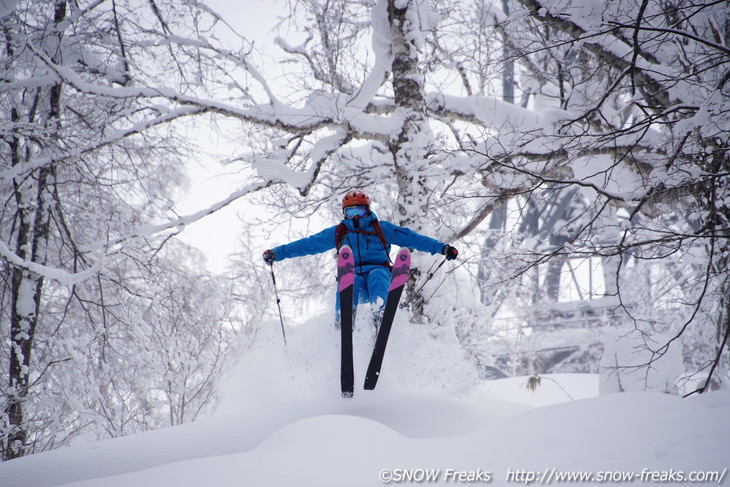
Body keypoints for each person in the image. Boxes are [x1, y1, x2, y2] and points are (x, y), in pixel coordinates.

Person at [262, 190, 458, 329]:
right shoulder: (339, 232)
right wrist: (277, 253)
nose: (355, 216)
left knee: (378, 274)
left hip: (377, 276)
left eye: (360, 212)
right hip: (353, 276)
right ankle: (344, 320)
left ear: (368, 210)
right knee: (349, 280)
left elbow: (412, 238)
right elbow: (308, 244)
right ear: (344, 213)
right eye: (350, 212)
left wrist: (442, 248)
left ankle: (380, 316)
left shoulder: (381, 228)